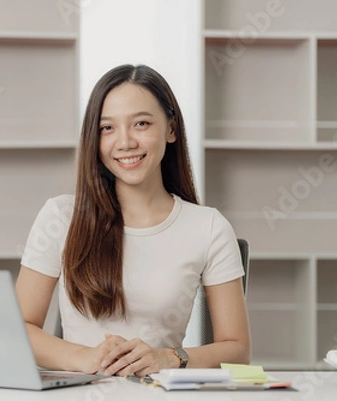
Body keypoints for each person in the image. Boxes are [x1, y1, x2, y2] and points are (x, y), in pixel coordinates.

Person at [15, 64, 250, 378]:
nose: (125, 142)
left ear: (171, 129)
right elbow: (19, 329)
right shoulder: (61, 217)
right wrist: (86, 358)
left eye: (141, 123)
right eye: (107, 128)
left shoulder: (208, 227)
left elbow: (238, 349)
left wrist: (169, 358)